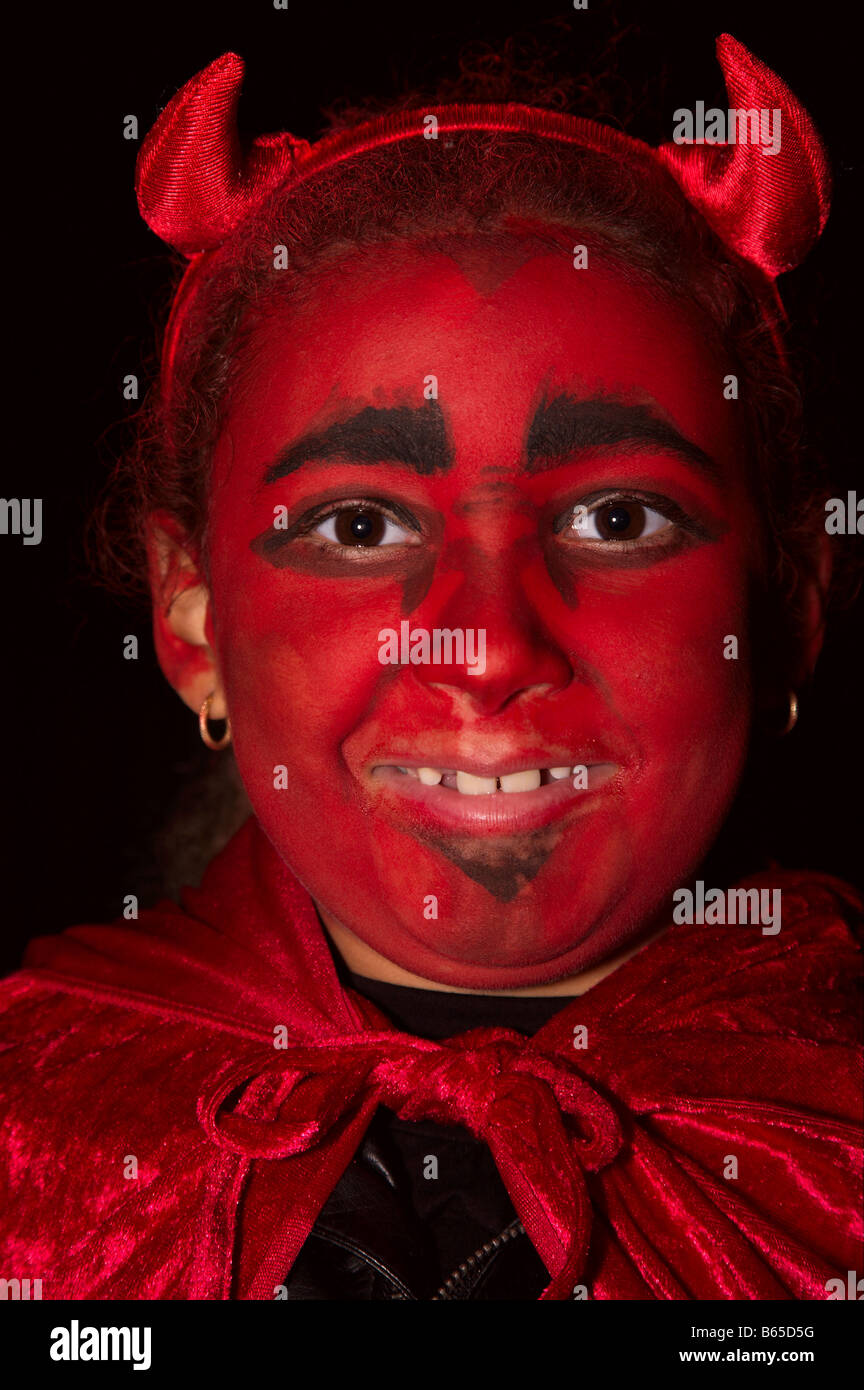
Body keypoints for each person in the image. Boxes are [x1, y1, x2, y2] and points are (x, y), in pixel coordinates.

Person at [0, 34, 860, 1301]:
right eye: (360, 527)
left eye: (619, 519)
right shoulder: (34, 1113)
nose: (491, 649)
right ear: (190, 618)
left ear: (785, 601)